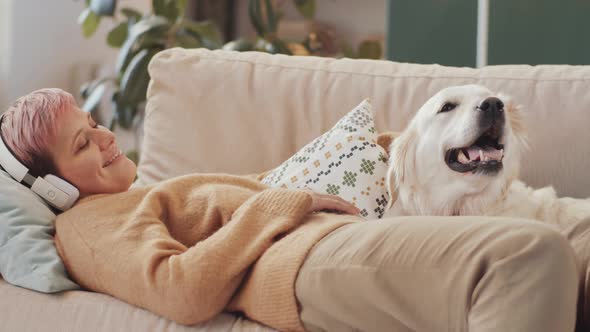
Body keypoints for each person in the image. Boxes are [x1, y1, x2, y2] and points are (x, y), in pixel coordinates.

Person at [0, 88, 583, 332]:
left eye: (95, 124)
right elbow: (181, 290)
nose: (105, 138)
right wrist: (287, 203)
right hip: (302, 259)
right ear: (52, 189)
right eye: (82, 144)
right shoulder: (88, 226)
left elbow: (258, 193)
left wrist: (389, 151)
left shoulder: (150, 193)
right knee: (529, 257)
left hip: (326, 232)